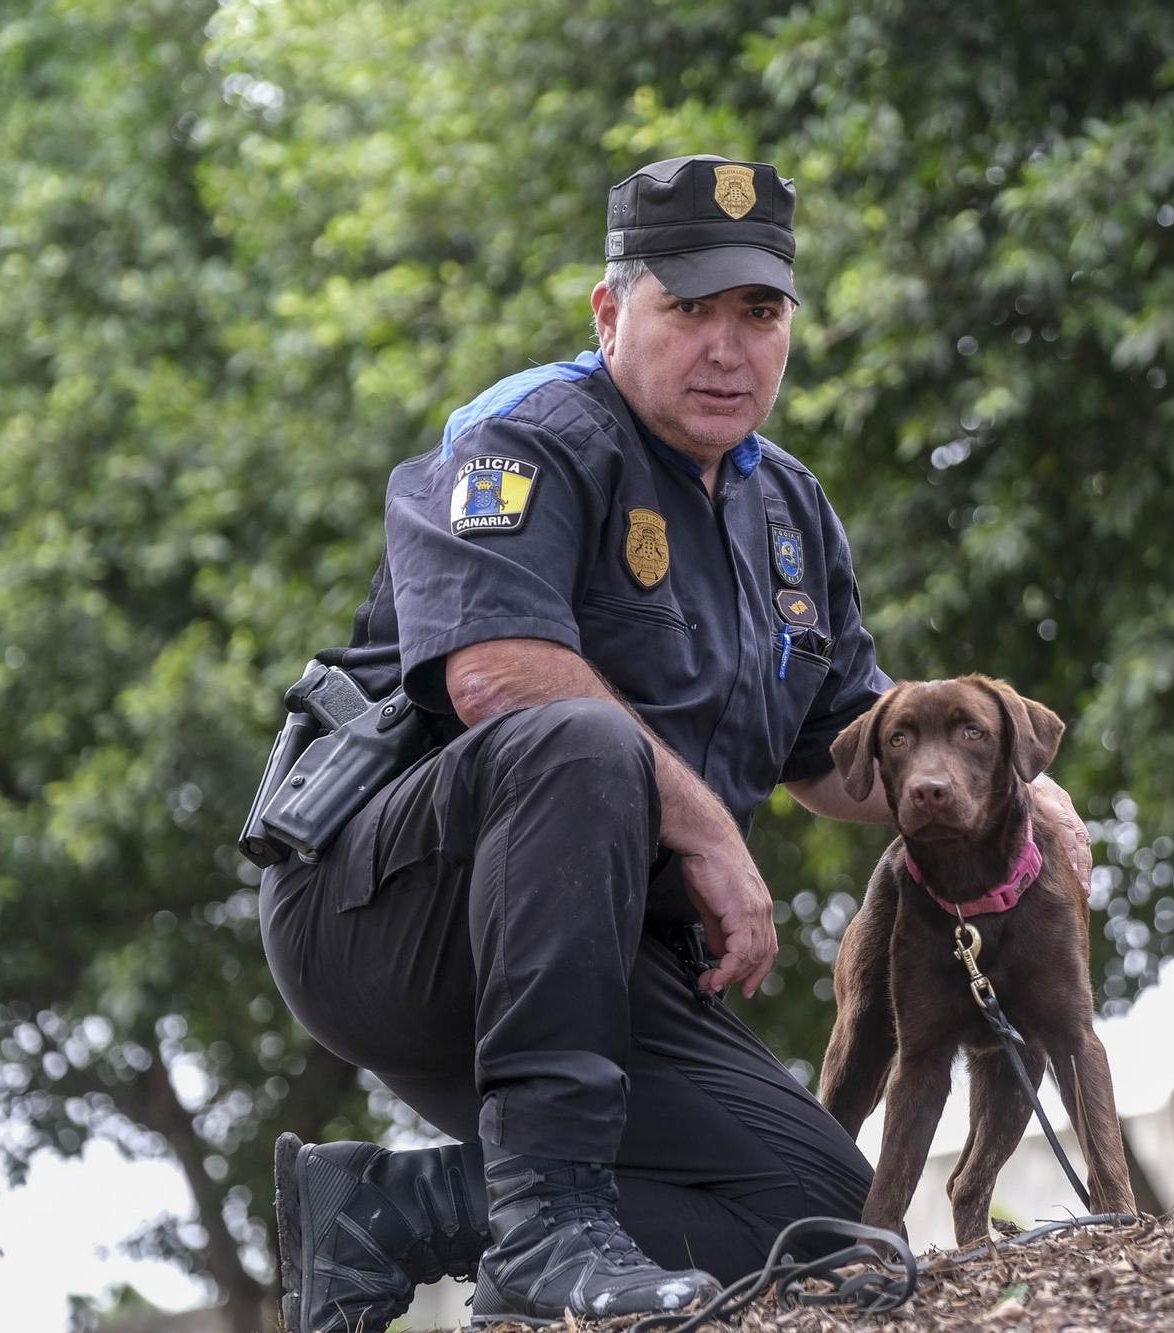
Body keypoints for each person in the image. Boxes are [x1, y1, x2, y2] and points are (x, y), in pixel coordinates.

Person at [256, 154, 1090, 1331]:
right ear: (610, 312)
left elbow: (841, 753)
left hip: (594, 962)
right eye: (687, 307)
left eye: (758, 312)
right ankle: (546, 1222)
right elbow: (494, 673)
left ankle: (406, 1207)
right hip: (388, 916)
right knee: (579, 740)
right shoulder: (526, 439)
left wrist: (1013, 791)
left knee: (823, 1217)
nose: (726, 346)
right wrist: (702, 824)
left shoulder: (789, 512)